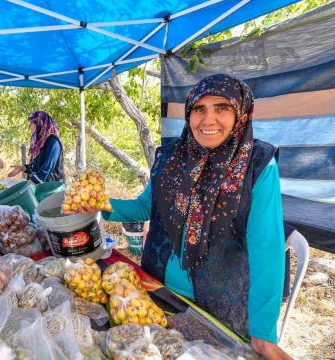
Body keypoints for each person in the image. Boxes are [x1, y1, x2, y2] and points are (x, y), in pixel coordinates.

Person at [103, 74, 290, 360]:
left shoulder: (257, 164)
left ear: (240, 113)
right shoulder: (172, 156)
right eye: (199, 109)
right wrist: (98, 204)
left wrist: (264, 334)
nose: (208, 120)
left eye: (221, 108)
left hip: (218, 305)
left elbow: (266, 250)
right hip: (157, 288)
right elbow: (144, 208)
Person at [8, 111, 65, 183]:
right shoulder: (41, 142)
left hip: (52, 188)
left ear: (39, 123)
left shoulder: (53, 141)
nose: (30, 126)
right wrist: (22, 168)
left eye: (32, 122)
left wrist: (31, 182)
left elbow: (48, 167)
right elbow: (38, 164)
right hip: (43, 187)